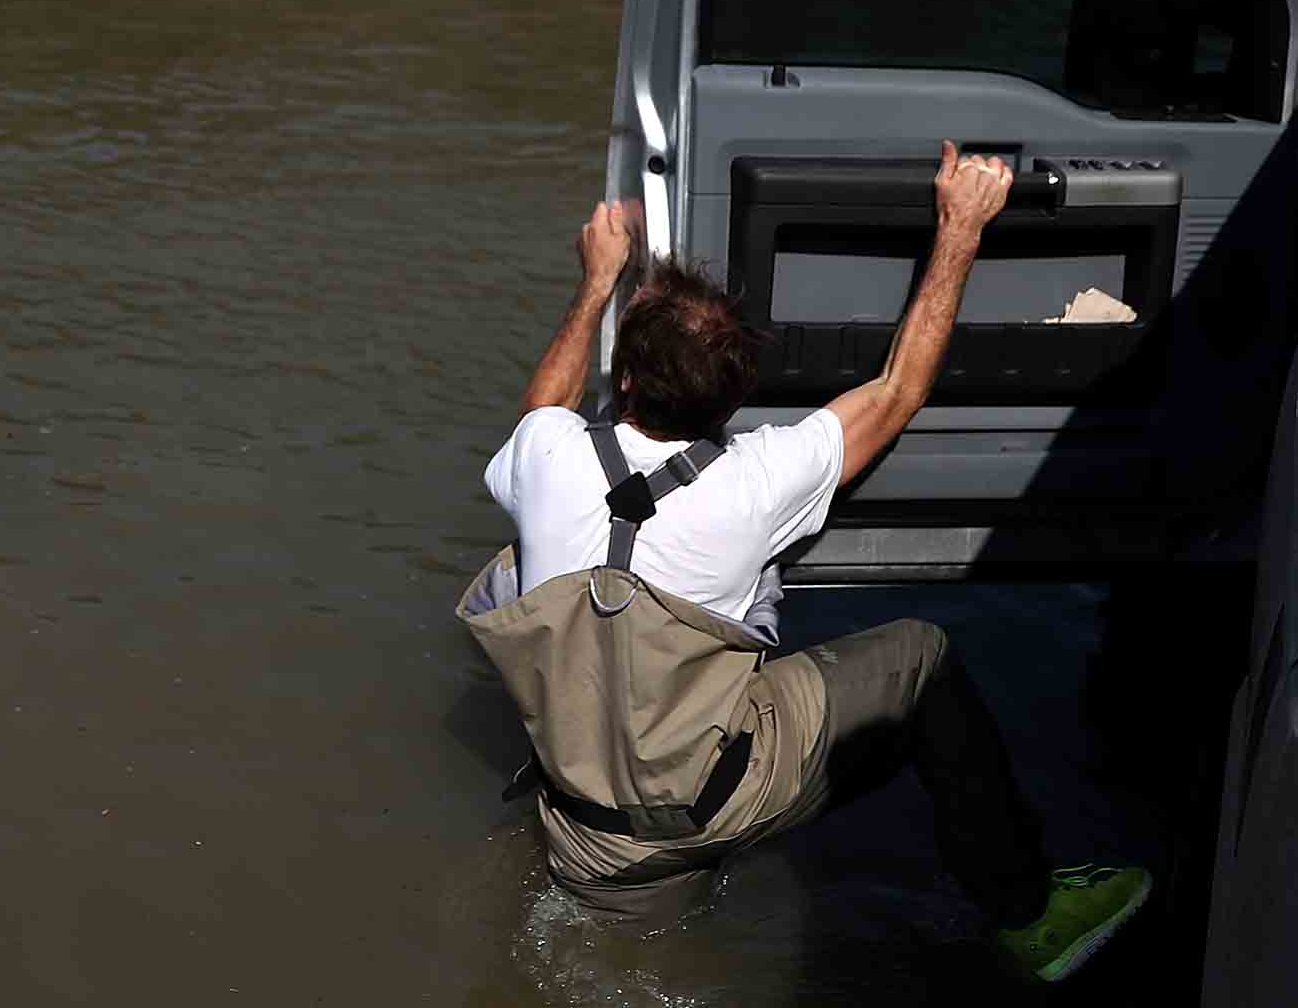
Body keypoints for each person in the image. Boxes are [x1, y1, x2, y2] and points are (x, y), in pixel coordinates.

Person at [456, 142, 1150, 985]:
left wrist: (598, 277)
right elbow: (898, 390)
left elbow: (543, 404)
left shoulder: (548, 455)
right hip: (717, 792)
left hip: (586, 828)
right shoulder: (759, 478)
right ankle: (1032, 917)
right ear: (736, 397)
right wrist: (961, 229)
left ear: (627, 380)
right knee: (923, 658)